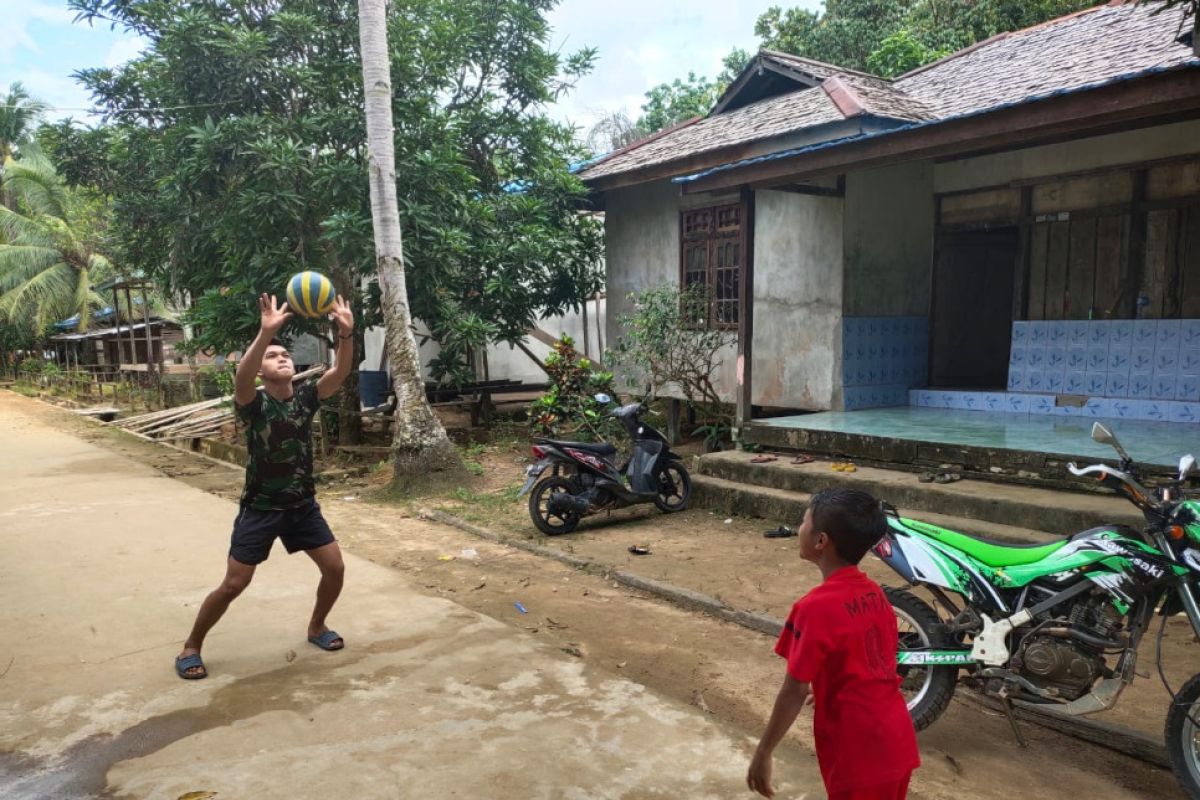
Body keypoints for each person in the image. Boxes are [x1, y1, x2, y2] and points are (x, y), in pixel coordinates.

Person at [175, 292, 355, 679]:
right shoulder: (252, 402)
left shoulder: (307, 397)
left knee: (335, 569)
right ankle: (191, 646)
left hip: (302, 507)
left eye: (285, 354)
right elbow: (242, 375)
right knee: (233, 584)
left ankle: (317, 627)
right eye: (273, 356)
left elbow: (339, 373)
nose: (282, 358)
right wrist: (264, 333)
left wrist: (346, 335)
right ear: (261, 370)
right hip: (260, 509)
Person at [747, 488, 920, 799]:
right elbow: (873, 661)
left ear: (820, 541)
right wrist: (829, 684)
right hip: (897, 741)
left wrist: (763, 752)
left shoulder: (813, 608)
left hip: (859, 754)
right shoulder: (876, 594)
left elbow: (794, 690)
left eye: (803, 521)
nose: (799, 527)